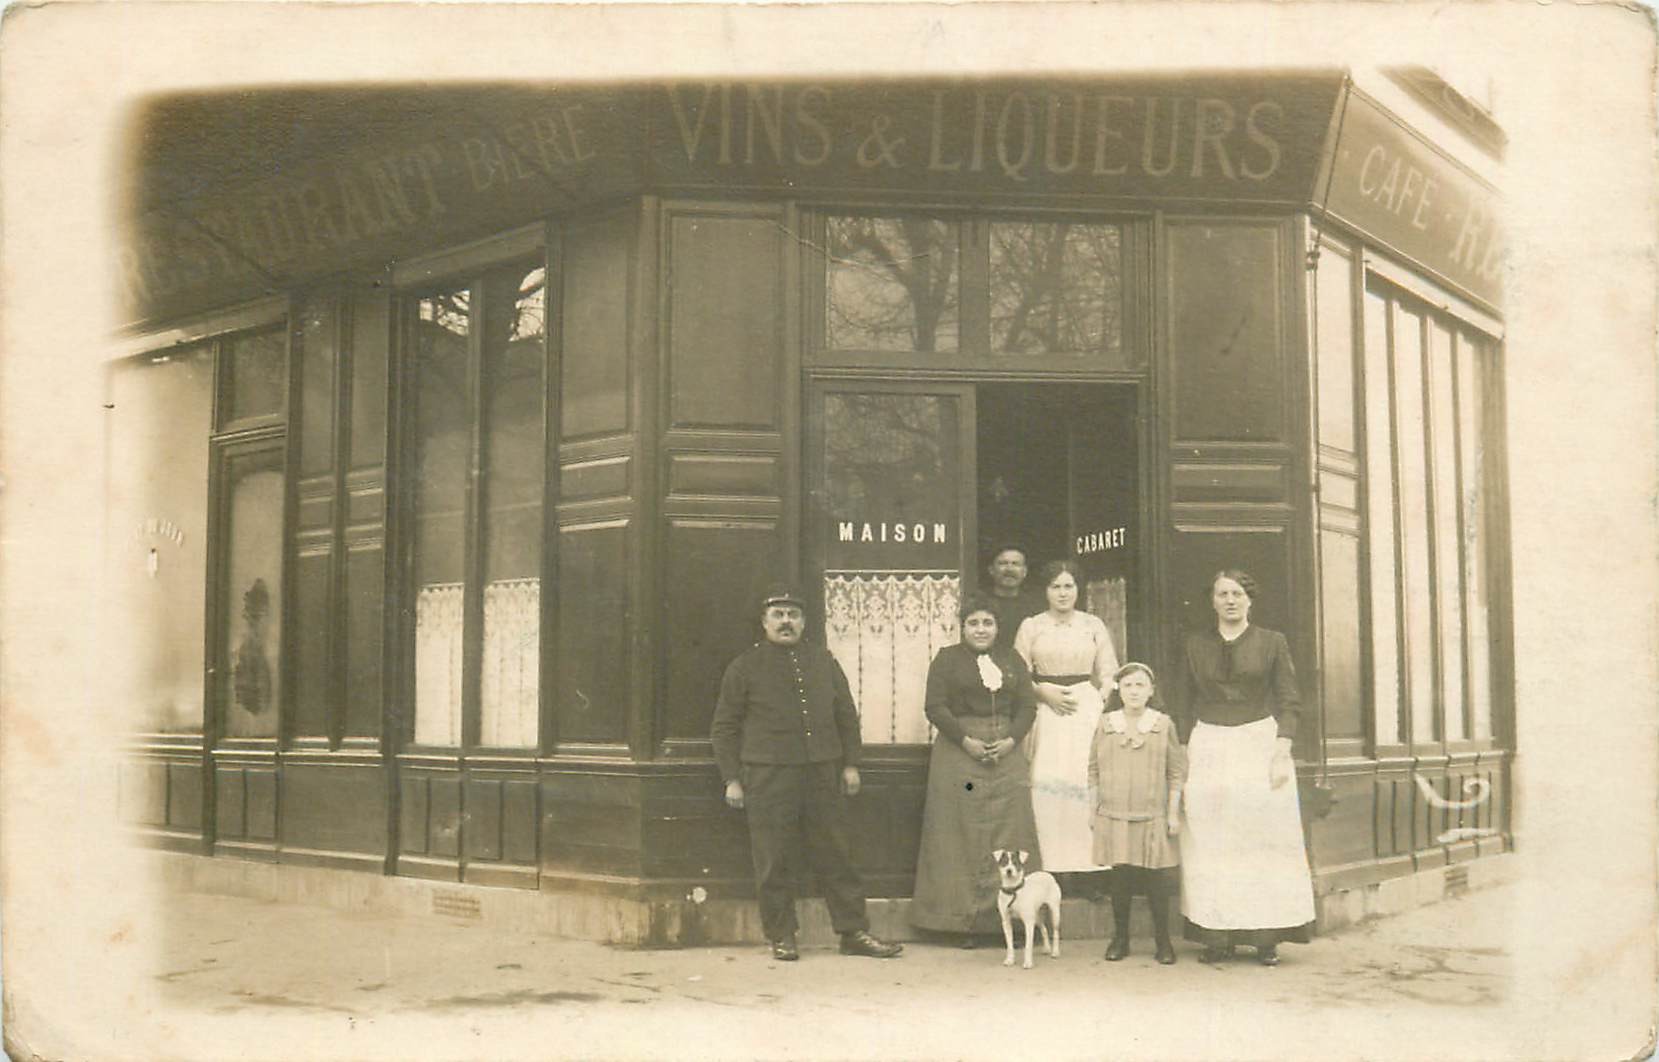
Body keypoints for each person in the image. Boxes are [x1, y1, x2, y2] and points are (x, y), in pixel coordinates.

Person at [710, 584, 904, 962]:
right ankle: (781, 935)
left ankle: (852, 932)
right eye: (778, 615)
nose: (786, 622)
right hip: (768, 775)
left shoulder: (823, 661)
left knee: (837, 853)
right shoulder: (744, 667)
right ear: (764, 623)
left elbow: (846, 715)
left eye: (793, 615)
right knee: (773, 858)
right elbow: (724, 727)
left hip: (822, 772)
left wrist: (850, 764)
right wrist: (731, 777)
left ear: (804, 622)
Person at [1171, 569, 1316, 967]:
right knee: (1210, 839)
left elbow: (1290, 699)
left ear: (1249, 600)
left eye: (1237, 593)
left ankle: (1265, 936)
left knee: (1261, 839)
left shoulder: (1272, 642)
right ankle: (1216, 935)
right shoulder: (1194, 644)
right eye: (1222, 594)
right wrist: (1181, 750)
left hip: (1258, 743)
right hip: (1209, 743)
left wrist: (1282, 747)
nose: (1230, 600)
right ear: (1212, 601)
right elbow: (1181, 701)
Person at [910, 594, 1042, 944]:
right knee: (958, 833)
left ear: (998, 628)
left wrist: (1012, 740)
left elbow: (1028, 707)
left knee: (1009, 828)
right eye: (974, 623)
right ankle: (958, 923)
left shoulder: (1011, 659)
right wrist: (965, 740)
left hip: (1005, 752)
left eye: (988, 623)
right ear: (962, 626)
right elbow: (935, 707)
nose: (981, 629)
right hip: (959, 751)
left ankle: (1006, 922)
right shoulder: (947, 660)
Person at [1013, 560, 1119, 892]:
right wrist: (1041, 691)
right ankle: (1053, 869)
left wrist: (1097, 699)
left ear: (1079, 590)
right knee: (1048, 785)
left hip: (1083, 712)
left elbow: (1109, 671)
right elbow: (1017, 673)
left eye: (1068, 586)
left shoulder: (1093, 625)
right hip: (1047, 712)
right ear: (1045, 591)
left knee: (1083, 784)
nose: (1062, 593)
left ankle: (1090, 871)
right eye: (1055, 586)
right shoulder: (1031, 626)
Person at [1087, 662, 1185, 964]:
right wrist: (1094, 811)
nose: (1133, 691)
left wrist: (1171, 814)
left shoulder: (1162, 724)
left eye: (1140, 685)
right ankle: (1120, 939)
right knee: (1121, 879)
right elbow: (1092, 770)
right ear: (1119, 689)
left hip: (1152, 816)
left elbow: (1175, 772)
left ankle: (1163, 941)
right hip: (1115, 816)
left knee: (1157, 881)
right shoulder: (1106, 723)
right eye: (1127, 685)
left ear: (1151, 691)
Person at [982, 543, 1047, 656]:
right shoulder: (980, 603)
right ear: (991, 570)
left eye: (1015, 564)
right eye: (1003, 563)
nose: (1009, 569)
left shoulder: (1037, 607)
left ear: (1024, 572)